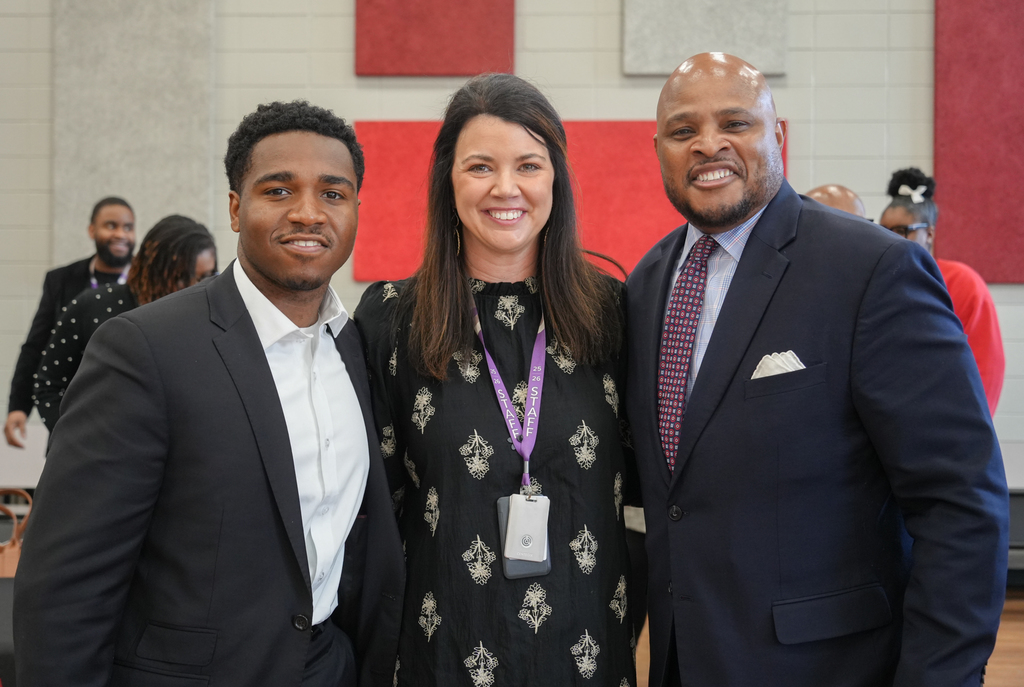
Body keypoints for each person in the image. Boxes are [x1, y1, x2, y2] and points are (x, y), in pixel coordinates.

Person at [625, 53, 1008, 687]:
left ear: (776, 137)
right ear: (659, 148)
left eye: (735, 122)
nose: (709, 144)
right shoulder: (646, 283)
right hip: (685, 662)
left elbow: (960, 502)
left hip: (831, 668)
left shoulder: (872, 271)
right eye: (683, 129)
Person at [14, 101, 404, 687]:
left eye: (333, 193)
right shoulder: (144, 349)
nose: (307, 213)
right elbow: (67, 586)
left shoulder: (353, 345)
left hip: (327, 667)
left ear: (354, 210)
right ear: (234, 208)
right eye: (277, 191)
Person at [356, 73, 637, 686]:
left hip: (587, 646)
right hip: (442, 647)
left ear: (556, 179)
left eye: (529, 165)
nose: (505, 188)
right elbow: (371, 508)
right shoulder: (390, 317)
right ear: (447, 181)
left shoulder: (614, 313)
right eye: (480, 166)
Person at [33, 215, 217, 430]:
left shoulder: (206, 320)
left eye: (208, 276)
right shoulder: (93, 306)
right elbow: (48, 385)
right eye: (184, 278)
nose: (197, 288)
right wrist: (77, 442)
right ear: (155, 270)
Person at [4, 196, 135, 447]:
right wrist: (18, 407)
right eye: (111, 225)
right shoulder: (62, 280)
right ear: (91, 230)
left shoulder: (146, 282)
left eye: (128, 227)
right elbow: (36, 345)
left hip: (127, 422)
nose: (121, 234)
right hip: (70, 417)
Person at [879, 167, 1005, 415]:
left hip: (950, 420)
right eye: (884, 230)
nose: (890, 239)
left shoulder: (963, 281)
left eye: (903, 231)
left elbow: (987, 367)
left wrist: (972, 425)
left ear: (930, 233)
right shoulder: (880, 279)